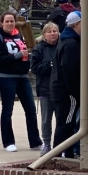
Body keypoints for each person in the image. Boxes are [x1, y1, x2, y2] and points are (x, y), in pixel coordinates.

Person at [0, 10, 43, 153]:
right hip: (6, 77)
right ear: (2, 23)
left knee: (31, 110)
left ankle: (35, 141)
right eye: (7, 21)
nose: (9, 23)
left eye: (12, 21)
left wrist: (27, 61)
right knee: (7, 110)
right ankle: (8, 142)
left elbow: (24, 54)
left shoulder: (18, 36)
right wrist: (16, 56)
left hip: (22, 77)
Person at [51, 11, 82, 157]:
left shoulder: (65, 40)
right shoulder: (71, 44)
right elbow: (69, 70)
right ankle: (55, 156)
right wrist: (76, 92)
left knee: (64, 123)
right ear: (76, 24)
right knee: (66, 124)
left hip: (61, 89)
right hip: (67, 92)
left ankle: (67, 154)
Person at [29, 22, 60, 153]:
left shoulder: (62, 46)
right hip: (45, 90)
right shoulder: (39, 49)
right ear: (44, 35)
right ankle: (46, 143)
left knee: (61, 120)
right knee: (46, 119)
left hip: (60, 90)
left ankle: (60, 145)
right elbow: (35, 68)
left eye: (55, 31)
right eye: (49, 31)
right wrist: (50, 65)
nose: (52, 33)